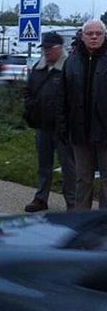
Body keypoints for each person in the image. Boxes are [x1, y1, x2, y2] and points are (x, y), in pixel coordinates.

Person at [57, 19, 107, 210]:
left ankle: (102, 225)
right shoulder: (72, 61)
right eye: (90, 33)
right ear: (82, 36)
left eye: (98, 33)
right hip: (79, 130)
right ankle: (81, 220)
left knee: (106, 181)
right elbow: (62, 96)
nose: (94, 37)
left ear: (104, 36)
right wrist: (62, 127)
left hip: (105, 131)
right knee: (82, 179)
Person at [23, 32, 75, 212]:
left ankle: (72, 203)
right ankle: (41, 198)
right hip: (42, 125)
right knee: (43, 164)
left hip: (63, 127)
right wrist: (30, 107)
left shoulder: (70, 66)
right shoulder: (39, 67)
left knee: (68, 167)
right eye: (44, 48)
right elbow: (28, 90)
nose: (46, 52)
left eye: (49, 48)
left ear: (60, 48)